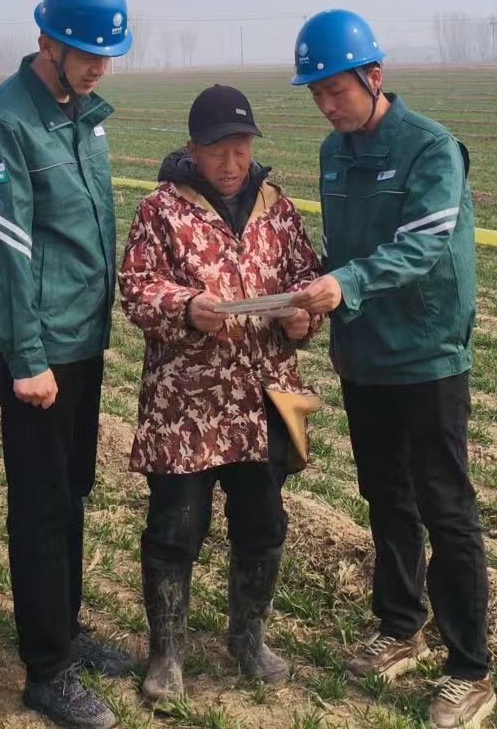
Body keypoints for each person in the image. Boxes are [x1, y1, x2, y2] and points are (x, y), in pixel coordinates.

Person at [287, 10, 496, 729]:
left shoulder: (430, 148)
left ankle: (470, 669)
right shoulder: (333, 152)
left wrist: (344, 284)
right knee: (386, 495)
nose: (326, 105)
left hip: (427, 354)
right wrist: (312, 295)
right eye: (316, 93)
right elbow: (341, 247)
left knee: (446, 505)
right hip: (365, 354)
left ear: (374, 77)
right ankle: (401, 625)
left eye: (335, 90)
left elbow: (423, 245)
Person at [0, 0, 136, 729]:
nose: (99, 67)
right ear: (46, 41)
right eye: (87, 53)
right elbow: (3, 252)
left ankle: (65, 628)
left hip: (81, 339)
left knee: (72, 491)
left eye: (107, 55)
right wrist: (26, 358)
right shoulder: (3, 124)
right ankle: (46, 668)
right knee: (39, 506)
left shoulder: (82, 116)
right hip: (38, 349)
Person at [118, 85, 324, 706]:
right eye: (216, 152)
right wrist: (186, 307)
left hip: (266, 399)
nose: (230, 164)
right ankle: (167, 655)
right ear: (193, 149)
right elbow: (136, 289)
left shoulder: (278, 208)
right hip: (187, 405)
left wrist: (304, 318)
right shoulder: (160, 210)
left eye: (240, 150)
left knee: (264, 523)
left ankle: (248, 640)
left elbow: (305, 278)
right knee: (176, 528)